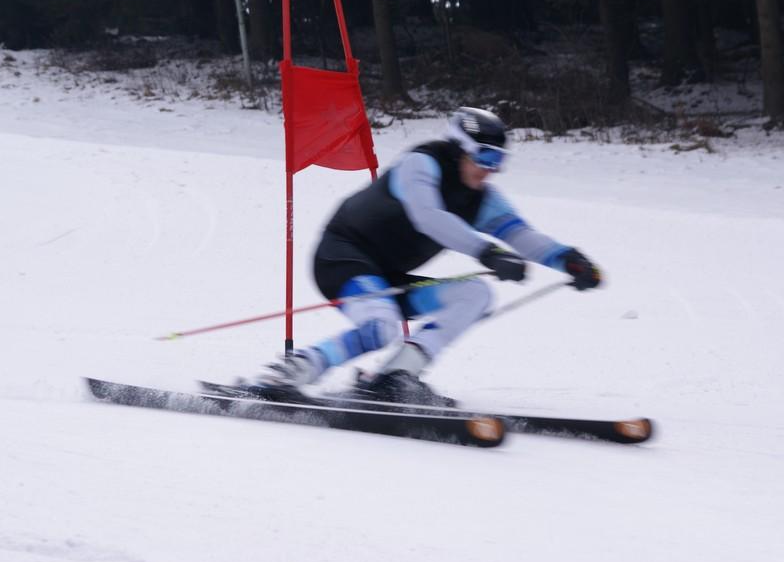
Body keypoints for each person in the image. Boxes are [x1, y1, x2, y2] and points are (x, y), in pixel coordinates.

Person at [253, 107, 601, 404]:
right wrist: (488, 252)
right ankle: (292, 372)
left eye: (498, 161)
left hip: (389, 276)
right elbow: (429, 217)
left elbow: (522, 236)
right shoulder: (421, 165)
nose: (490, 169)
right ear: (460, 148)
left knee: (475, 294)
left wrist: (568, 259)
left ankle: (394, 378)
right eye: (484, 156)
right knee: (382, 326)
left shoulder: (480, 198)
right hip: (343, 259)